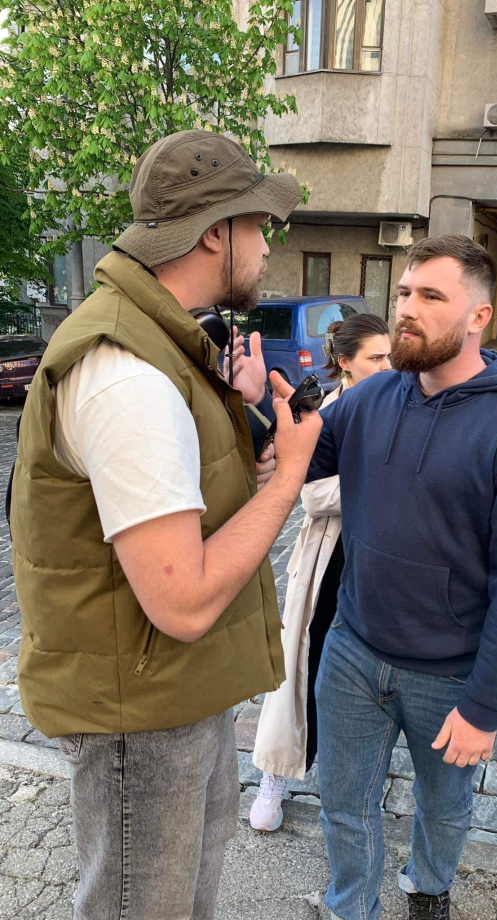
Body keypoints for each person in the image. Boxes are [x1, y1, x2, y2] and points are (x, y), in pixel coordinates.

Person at [10, 129, 323, 920]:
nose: (266, 245)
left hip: (176, 693)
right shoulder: (128, 374)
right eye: (258, 225)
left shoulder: (168, 343)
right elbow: (182, 602)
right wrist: (290, 475)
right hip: (142, 713)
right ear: (215, 232)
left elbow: (184, 500)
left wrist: (246, 442)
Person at [273, 235, 497, 920]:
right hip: (353, 651)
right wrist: (271, 412)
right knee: (344, 803)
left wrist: (485, 708)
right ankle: (351, 908)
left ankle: (428, 889)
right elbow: (304, 460)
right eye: (405, 292)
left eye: (431, 296)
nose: (406, 308)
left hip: (451, 674)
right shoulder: (372, 397)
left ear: (478, 317)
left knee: (443, 805)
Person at [250, 313, 392, 832]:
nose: (388, 367)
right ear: (345, 363)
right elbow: (310, 494)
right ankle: (275, 775)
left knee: (371, 674)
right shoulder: (323, 413)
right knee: (304, 664)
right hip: (329, 558)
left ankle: (360, 782)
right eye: (376, 357)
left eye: (391, 356)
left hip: (382, 560)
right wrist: (387, 488)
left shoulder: (402, 407)